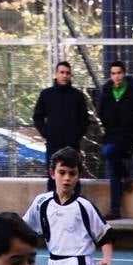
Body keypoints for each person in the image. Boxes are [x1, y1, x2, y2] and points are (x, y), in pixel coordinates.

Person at [96, 60, 133, 220]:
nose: (117, 77)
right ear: (110, 75)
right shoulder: (107, 92)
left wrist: (132, 118)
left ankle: (125, 177)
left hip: (128, 135)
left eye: (119, 73)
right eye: (113, 73)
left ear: (124, 73)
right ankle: (116, 208)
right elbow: (100, 111)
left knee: (109, 153)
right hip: (111, 133)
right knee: (113, 168)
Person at [32, 60, 91, 192]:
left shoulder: (77, 96)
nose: (64, 75)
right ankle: (52, 209)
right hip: (53, 144)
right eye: (62, 72)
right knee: (53, 177)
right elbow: (37, 117)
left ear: (70, 75)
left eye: (67, 73)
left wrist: (75, 136)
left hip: (72, 146)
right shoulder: (46, 94)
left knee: (73, 176)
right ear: (56, 74)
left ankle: (73, 208)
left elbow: (85, 120)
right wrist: (47, 133)